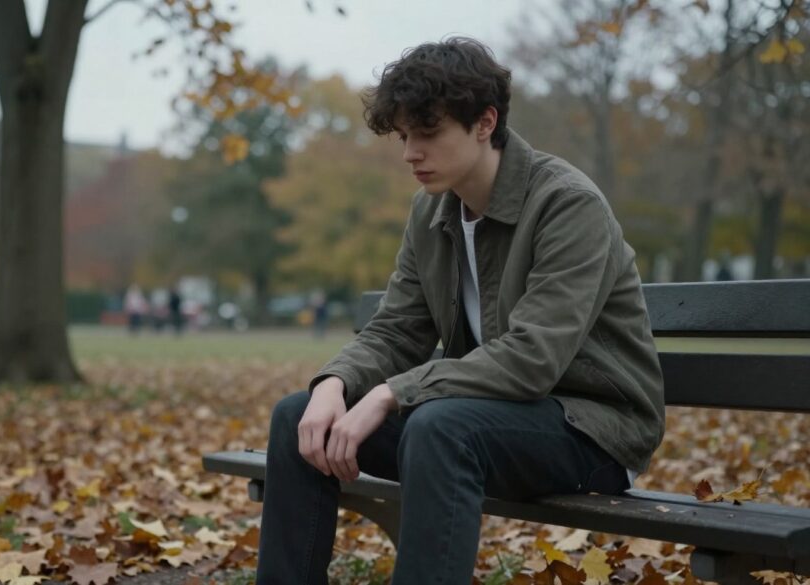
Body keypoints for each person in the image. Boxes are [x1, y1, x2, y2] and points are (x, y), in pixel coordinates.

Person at [256, 37, 665, 584]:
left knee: (440, 427)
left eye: (428, 132)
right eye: (404, 135)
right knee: (297, 417)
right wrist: (334, 383)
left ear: (484, 123)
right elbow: (397, 330)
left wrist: (390, 393)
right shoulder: (431, 213)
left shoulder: (567, 204)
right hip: (482, 420)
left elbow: (532, 358)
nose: (410, 153)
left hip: (593, 430)